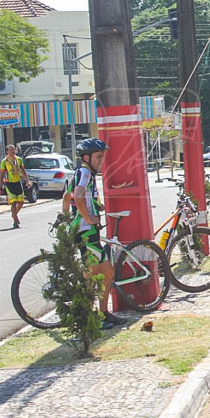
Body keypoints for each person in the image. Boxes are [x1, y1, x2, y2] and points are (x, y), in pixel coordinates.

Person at [69, 137, 126, 329]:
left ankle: (103, 313)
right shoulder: (85, 172)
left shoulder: (84, 173)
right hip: (85, 231)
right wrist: (88, 217)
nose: (101, 162)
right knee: (92, 274)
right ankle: (89, 318)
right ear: (86, 157)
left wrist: (94, 206)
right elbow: (77, 196)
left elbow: (68, 196)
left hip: (88, 231)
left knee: (107, 272)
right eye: (98, 157)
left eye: (103, 158)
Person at [0, 145, 30, 229]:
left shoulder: (19, 160)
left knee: (21, 202)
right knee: (13, 202)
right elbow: (2, 175)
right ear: (7, 152)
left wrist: (27, 181)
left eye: (14, 150)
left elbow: (23, 171)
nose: (13, 151)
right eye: (10, 150)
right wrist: (1, 187)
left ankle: (14, 214)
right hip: (9, 183)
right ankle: (15, 220)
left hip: (18, 182)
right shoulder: (4, 162)